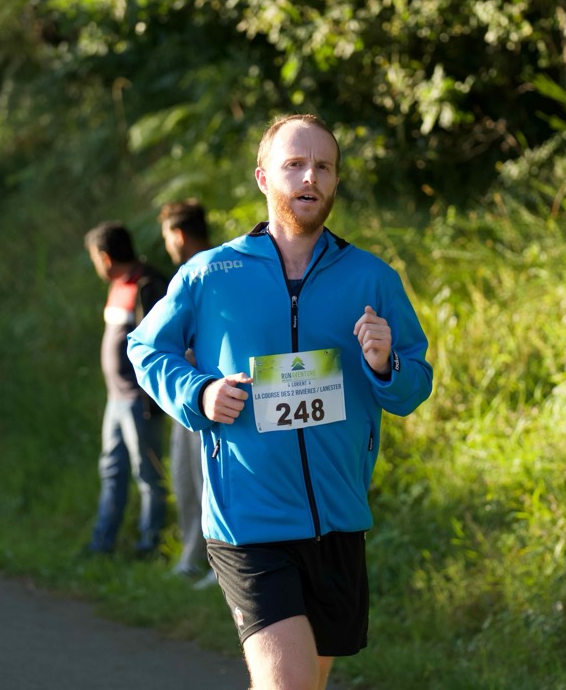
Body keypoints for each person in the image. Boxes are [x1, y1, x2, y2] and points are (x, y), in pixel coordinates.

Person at [128, 115, 432, 690]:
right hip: (249, 520)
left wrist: (384, 364)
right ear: (264, 178)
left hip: (338, 519)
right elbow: (145, 348)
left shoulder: (372, 279)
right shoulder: (210, 274)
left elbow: (414, 385)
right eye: (294, 164)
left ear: (335, 180)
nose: (310, 177)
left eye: (323, 166)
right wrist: (199, 391)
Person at [83, 221, 168, 556]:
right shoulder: (118, 285)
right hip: (115, 399)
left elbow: (161, 342)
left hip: (138, 400)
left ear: (105, 257)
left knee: (147, 473)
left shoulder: (148, 284)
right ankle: (101, 544)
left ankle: (150, 545)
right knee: (111, 470)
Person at [156, 200, 217, 589]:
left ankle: (219, 563)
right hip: (185, 393)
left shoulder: (218, 269)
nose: (166, 245)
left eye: (166, 237)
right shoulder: (186, 273)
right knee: (184, 478)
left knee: (209, 480)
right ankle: (192, 555)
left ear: (178, 235)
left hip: (215, 394)